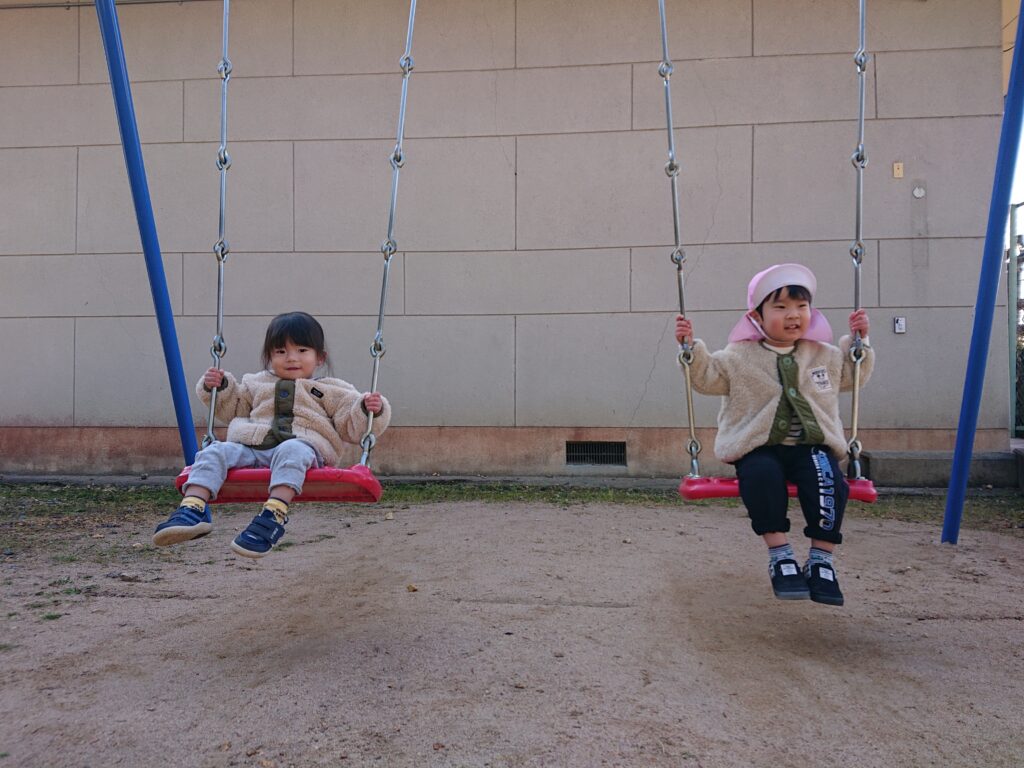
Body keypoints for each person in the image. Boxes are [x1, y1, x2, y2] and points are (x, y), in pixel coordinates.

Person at [674, 263, 873, 606]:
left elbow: (852, 377)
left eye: (801, 306)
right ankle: (781, 555)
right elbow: (707, 377)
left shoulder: (824, 354)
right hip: (759, 446)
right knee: (761, 477)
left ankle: (821, 560)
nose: (793, 315)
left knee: (828, 480)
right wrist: (690, 349)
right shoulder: (739, 356)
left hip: (810, 446)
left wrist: (860, 343)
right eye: (780, 307)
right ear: (757, 316)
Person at [152, 311, 391, 558]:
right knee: (214, 451)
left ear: (320, 357)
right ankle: (192, 509)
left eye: (301, 350)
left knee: (292, 450)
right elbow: (234, 406)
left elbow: (350, 425)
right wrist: (219, 387)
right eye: (280, 352)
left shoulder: (332, 390)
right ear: (269, 356)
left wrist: (368, 409)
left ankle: (273, 516)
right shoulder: (256, 383)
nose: (291, 358)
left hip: (303, 448)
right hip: (251, 445)